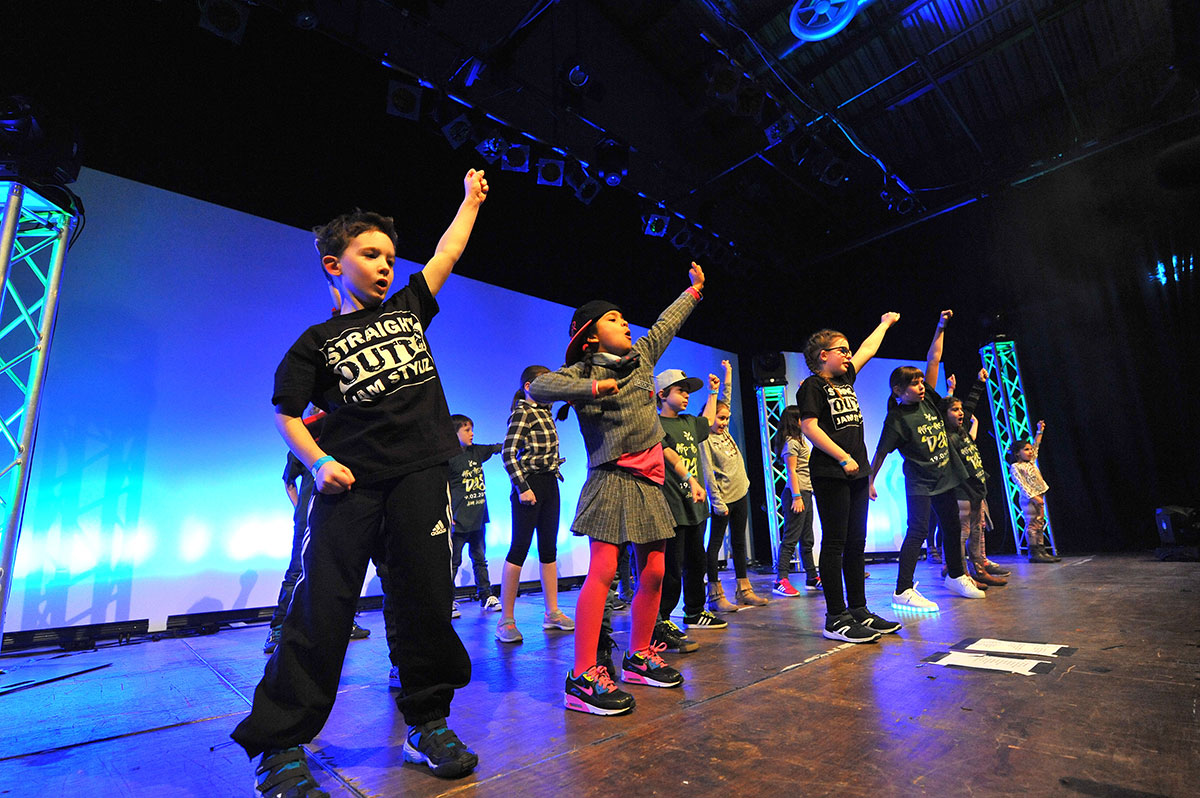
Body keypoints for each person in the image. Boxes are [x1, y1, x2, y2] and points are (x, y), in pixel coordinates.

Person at [232, 169, 489, 793]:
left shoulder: (408, 310)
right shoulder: (316, 342)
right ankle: (280, 744)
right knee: (322, 608)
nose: (384, 266)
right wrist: (319, 463)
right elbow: (286, 414)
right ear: (333, 264)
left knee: (426, 603)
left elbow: (447, 252)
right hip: (351, 488)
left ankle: (426, 723)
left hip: (419, 479)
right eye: (370, 254)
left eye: (391, 258)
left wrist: (469, 201)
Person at [529, 262, 706, 715]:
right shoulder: (577, 372)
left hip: (650, 480)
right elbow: (538, 387)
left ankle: (639, 655)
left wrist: (693, 292)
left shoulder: (642, 357)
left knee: (655, 571)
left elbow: (666, 324)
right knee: (604, 571)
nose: (625, 323)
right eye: (613, 319)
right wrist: (592, 387)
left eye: (624, 317)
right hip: (610, 476)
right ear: (589, 335)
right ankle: (583, 675)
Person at [869, 310, 986, 614]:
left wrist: (940, 326)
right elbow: (881, 452)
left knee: (951, 526)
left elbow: (933, 359)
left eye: (921, 381)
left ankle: (956, 576)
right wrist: (870, 481)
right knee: (918, 531)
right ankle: (902, 590)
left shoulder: (930, 401)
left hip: (945, 477)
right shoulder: (897, 419)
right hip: (920, 482)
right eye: (914, 383)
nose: (921, 386)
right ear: (898, 390)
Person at [796, 314, 903, 643]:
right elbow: (809, 427)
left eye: (847, 350)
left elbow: (867, 350)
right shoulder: (813, 386)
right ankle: (835, 618)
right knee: (835, 543)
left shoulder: (846, 380)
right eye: (841, 350)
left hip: (857, 471)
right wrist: (842, 457)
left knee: (857, 543)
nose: (848, 354)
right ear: (822, 356)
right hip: (831, 472)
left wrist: (884, 324)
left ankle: (858, 610)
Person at [266, 408, 373, 654]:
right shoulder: (303, 441)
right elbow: (288, 481)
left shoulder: (345, 436)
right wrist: (299, 509)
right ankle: (278, 627)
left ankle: (345, 623)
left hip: (343, 511)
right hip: (309, 515)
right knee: (298, 569)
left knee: (343, 567)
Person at [497, 365, 574, 642]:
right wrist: (523, 487)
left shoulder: (546, 412)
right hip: (529, 485)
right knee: (519, 548)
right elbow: (508, 453)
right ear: (528, 387)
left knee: (549, 548)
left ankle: (552, 612)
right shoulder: (523, 412)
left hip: (550, 483)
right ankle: (506, 620)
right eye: (544, 383)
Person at [657, 367, 726, 631]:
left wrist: (713, 393)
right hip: (672, 506)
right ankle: (662, 617)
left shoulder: (687, 421)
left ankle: (695, 612)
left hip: (695, 505)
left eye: (688, 392)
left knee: (696, 563)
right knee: (671, 568)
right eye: (680, 390)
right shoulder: (656, 425)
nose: (686, 396)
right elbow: (668, 457)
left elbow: (707, 422)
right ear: (662, 394)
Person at [700, 359, 769, 610]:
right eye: (720, 418)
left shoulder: (724, 430)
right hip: (723, 500)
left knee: (739, 542)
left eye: (727, 419)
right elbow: (707, 473)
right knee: (715, 545)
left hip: (741, 492)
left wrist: (728, 373)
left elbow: (726, 399)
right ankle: (715, 595)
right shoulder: (705, 438)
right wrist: (717, 503)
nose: (724, 422)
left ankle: (744, 589)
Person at [941, 372, 1007, 587]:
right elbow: (945, 408)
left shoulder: (962, 431)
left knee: (977, 530)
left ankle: (978, 569)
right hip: (962, 488)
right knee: (963, 531)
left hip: (977, 486)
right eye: (955, 410)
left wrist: (979, 382)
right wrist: (949, 391)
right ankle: (960, 573)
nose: (961, 413)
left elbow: (970, 405)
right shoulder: (946, 436)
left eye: (960, 409)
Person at [447, 413, 503, 614]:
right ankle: (447, 600)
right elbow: (441, 489)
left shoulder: (476, 451)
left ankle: (486, 596)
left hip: (478, 518)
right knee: (453, 562)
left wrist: (518, 443)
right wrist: (447, 514)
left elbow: (497, 448)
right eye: (467, 430)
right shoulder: (449, 459)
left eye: (472, 429)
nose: (472, 434)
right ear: (455, 433)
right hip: (458, 520)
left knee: (480, 559)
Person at [771, 405, 819, 597]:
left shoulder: (800, 440)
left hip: (806, 492)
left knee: (807, 539)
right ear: (795, 421)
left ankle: (812, 577)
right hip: (796, 494)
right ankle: (781, 580)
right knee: (790, 538)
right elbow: (791, 471)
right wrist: (797, 497)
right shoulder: (791, 443)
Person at [1008, 420, 1060, 562]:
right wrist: (1033, 497)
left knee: (1040, 522)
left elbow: (1036, 445)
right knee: (1031, 523)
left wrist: (1039, 430)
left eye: (1030, 449)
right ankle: (1033, 552)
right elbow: (1022, 485)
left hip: (1039, 496)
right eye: (1026, 450)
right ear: (1017, 453)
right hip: (1029, 499)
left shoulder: (1031, 462)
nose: (1030, 451)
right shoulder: (1015, 467)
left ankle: (1041, 550)